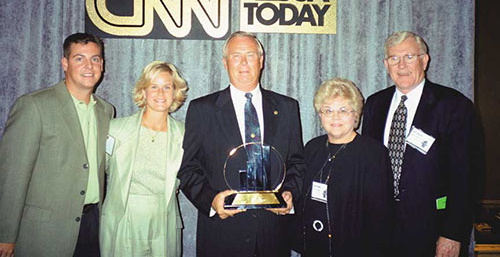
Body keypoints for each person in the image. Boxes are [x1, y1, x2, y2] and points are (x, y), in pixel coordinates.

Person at [177, 31, 305, 257]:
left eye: (250, 55)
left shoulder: (287, 108)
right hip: (222, 236)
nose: (244, 63)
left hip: (273, 236)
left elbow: (297, 162)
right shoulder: (202, 110)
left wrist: (289, 193)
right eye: (236, 56)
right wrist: (212, 201)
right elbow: (188, 168)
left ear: (261, 61)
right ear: (225, 63)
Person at [362, 31, 484, 257]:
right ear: (385, 64)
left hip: (432, 230)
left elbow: (466, 176)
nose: (401, 65)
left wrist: (453, 233)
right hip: (380, 229)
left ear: (424, 60)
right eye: (394, 58)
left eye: (409, 56)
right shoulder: (374, 104)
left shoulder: (454, 106)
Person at [0, 33, 114, 256]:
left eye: (95, 59)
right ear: (64, 63)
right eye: (79, 59)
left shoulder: (106, 111)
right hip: (44, 232)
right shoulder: (34, 105)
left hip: (92, 225)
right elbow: (12, 175)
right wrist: (5, 234)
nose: (89, 66)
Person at [99, 61, 188, 256]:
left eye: (167, 87)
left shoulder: (185, 135)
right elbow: (103, 169)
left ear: (175, 92)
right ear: (143, 91)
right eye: (153, 87)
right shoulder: (115, 129)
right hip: (123, 217)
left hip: (164, 221)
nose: (160, 93)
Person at [297, 78, 393, 257]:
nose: (335, 117)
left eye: (343, 110)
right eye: (328, 110)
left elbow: (381, 218)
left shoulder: (373, 153)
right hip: (315, 246)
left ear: (355, 115)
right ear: (320, 115)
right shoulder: (312, 148)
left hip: (354, 249)